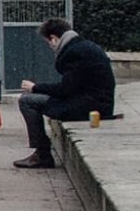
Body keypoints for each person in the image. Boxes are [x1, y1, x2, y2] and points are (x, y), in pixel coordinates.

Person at [14, 18, 118, 169]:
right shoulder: (83, 46)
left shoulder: (74, 52)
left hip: (90, 106)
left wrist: (35, 87)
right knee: (33, 99)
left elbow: (65, 90)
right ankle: (41, 153)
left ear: (54, 39)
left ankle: (42, 155)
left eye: (48, 42)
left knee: (27, 101)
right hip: (95, 102)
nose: (50, 47)